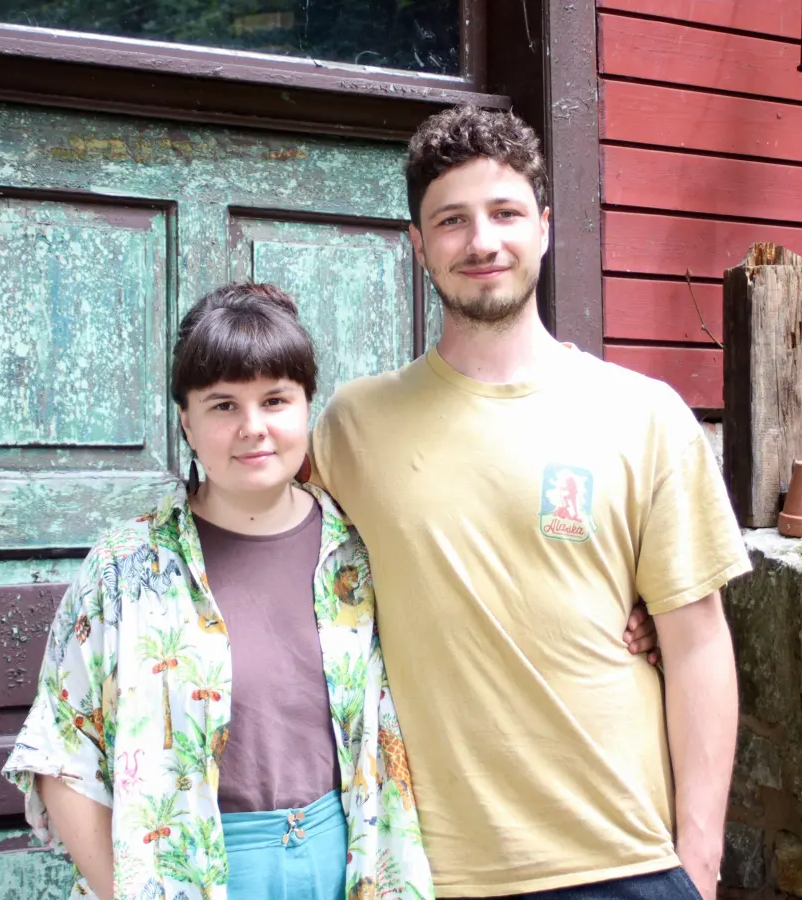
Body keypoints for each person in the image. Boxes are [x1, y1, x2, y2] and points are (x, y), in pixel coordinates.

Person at [305, 105, 750, 900]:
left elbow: (696, 646)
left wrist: (700, 863)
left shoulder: (643, 416)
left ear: (544, 227)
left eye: (506, 213)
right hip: (431, 867)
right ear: (417, 245)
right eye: (451, 221)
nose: (482, 242)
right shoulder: (350, 427)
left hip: (626, 858)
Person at [2, 283, 433, 900]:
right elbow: (62, 756)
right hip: (191, 871)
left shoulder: (360, 550)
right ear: (186, 419)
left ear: (307, 405)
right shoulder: (127, 568)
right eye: (224, 405)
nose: (253, 428)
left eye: (275, 400)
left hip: (351, 862)